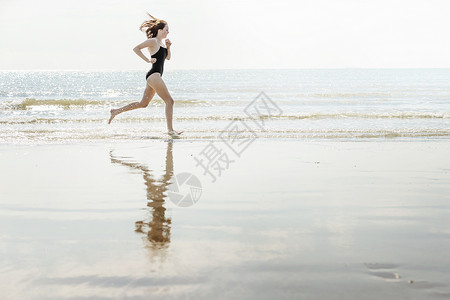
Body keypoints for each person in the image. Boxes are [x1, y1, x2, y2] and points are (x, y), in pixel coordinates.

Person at [108, 13, 182, 136]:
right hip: (154, 75)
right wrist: (148, 60)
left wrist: (168, 47)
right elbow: (136, 48)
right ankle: (170, 130)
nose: (168, 32)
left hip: (154, 77)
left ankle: (116, 111)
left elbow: (168, 58)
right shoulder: (153, 41)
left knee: (143, 104)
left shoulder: (162, 44)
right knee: (170, 101)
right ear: (160, 30)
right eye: (166, 30)